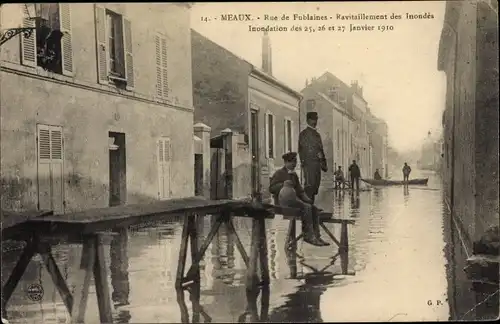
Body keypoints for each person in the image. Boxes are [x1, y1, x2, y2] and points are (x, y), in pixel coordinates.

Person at [269, 152, 328, 246]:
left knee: (313, 208)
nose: (295, 164)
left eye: (295, 162)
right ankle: (308, 236)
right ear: (286, 162)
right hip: (282, 203)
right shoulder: (279, 173)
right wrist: (283, 184)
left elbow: (300, 191)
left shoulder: (294, 175)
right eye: (293, 162)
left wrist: (309, 201)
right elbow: (271, 188)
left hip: (294, 201)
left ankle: (316, 236)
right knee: (306, 208)